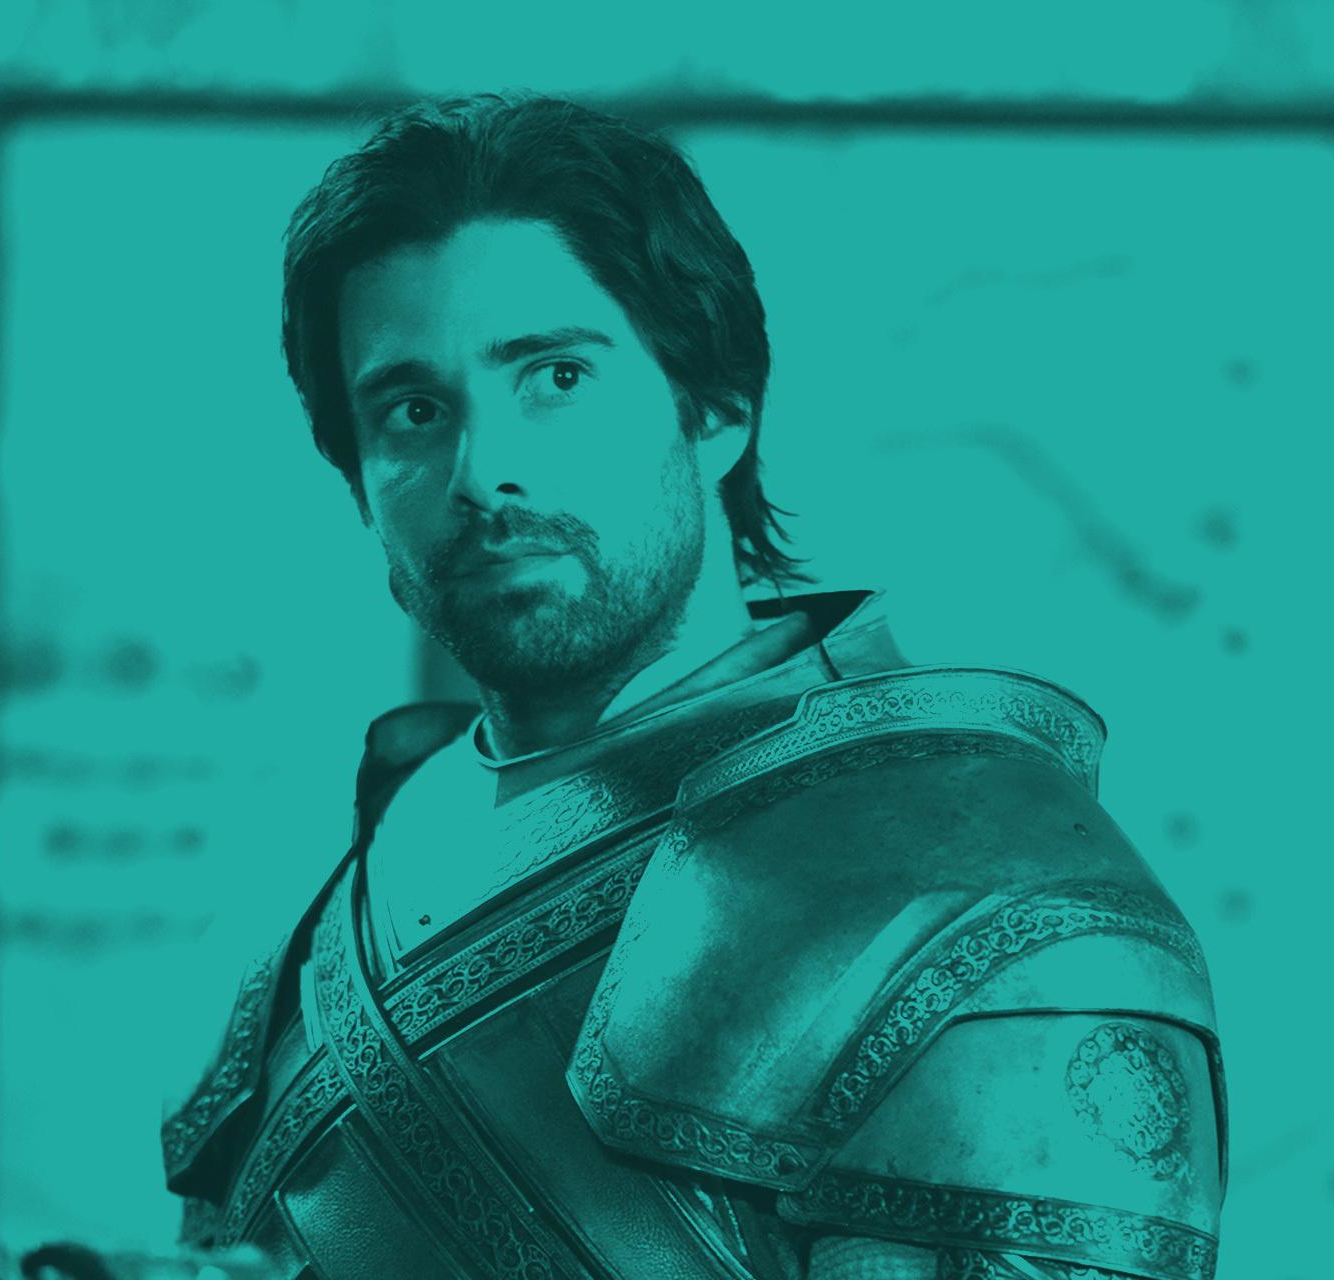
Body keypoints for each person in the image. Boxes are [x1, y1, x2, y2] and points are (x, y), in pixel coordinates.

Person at [160, 92, 1227, 1280]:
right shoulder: (321, 896)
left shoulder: (978, 884)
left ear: (714, 412)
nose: (484, 470)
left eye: (555, 375)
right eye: (413, 411)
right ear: (360, 479)